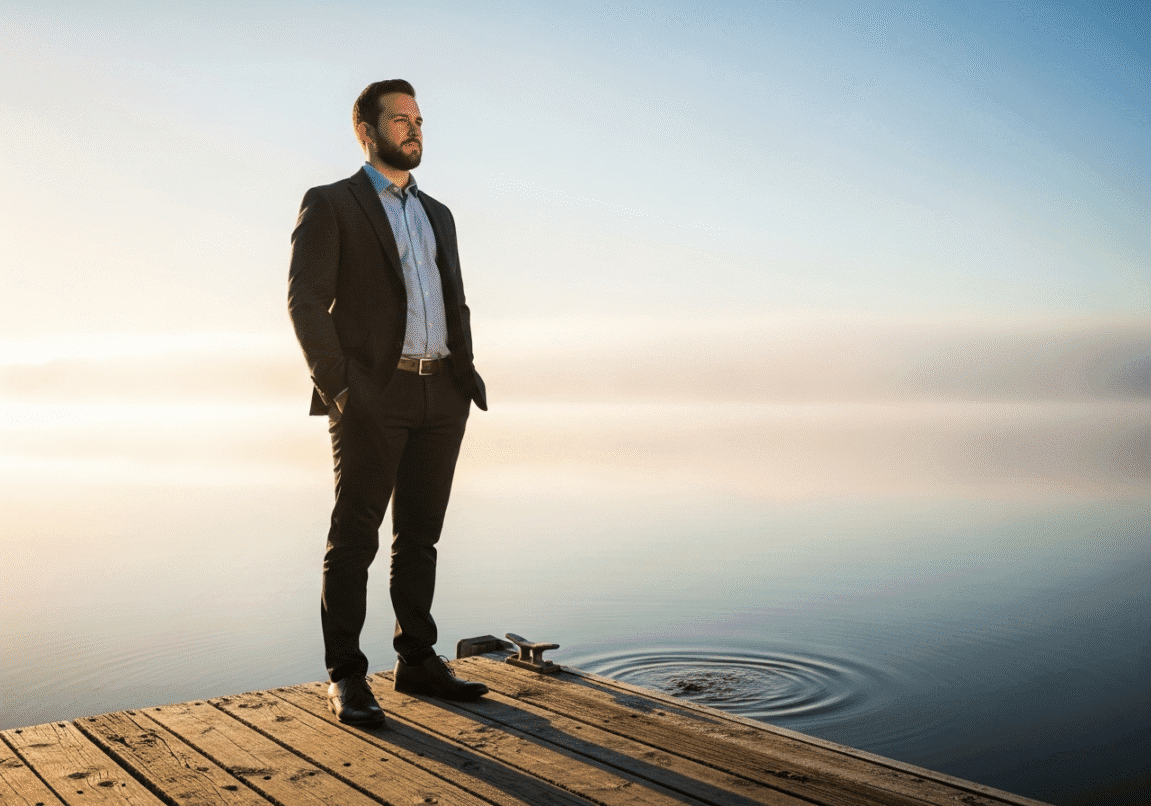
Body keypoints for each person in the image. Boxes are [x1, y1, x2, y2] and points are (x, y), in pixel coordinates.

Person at [288, 79, 489, 726]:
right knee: (355, 539)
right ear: (366, 132)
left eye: (420, 120)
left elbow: (452, 299)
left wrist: (467, 372)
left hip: (441, 392)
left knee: (420, 538)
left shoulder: (439, 215)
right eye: (400, 120)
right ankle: (345, 674)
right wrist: (342, 389)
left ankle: (418, 660)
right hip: (373, 392)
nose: (414, 129)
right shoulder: (331, 204)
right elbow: (305, 302)